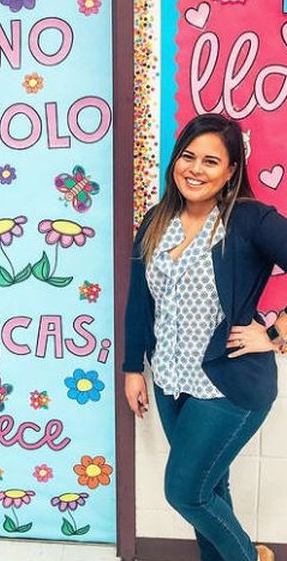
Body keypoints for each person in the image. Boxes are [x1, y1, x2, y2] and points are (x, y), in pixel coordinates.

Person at [122, 113, 287, 561]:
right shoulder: (158, 219)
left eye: (211, 161)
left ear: (232, 170)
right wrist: (132, 367)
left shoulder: (251, 220)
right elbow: (140, 300)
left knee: (187, 493)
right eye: (188, 156)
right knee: (210, 487)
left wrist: (274, 333)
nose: (195, 169)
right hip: (172, 382)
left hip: (229, 385)